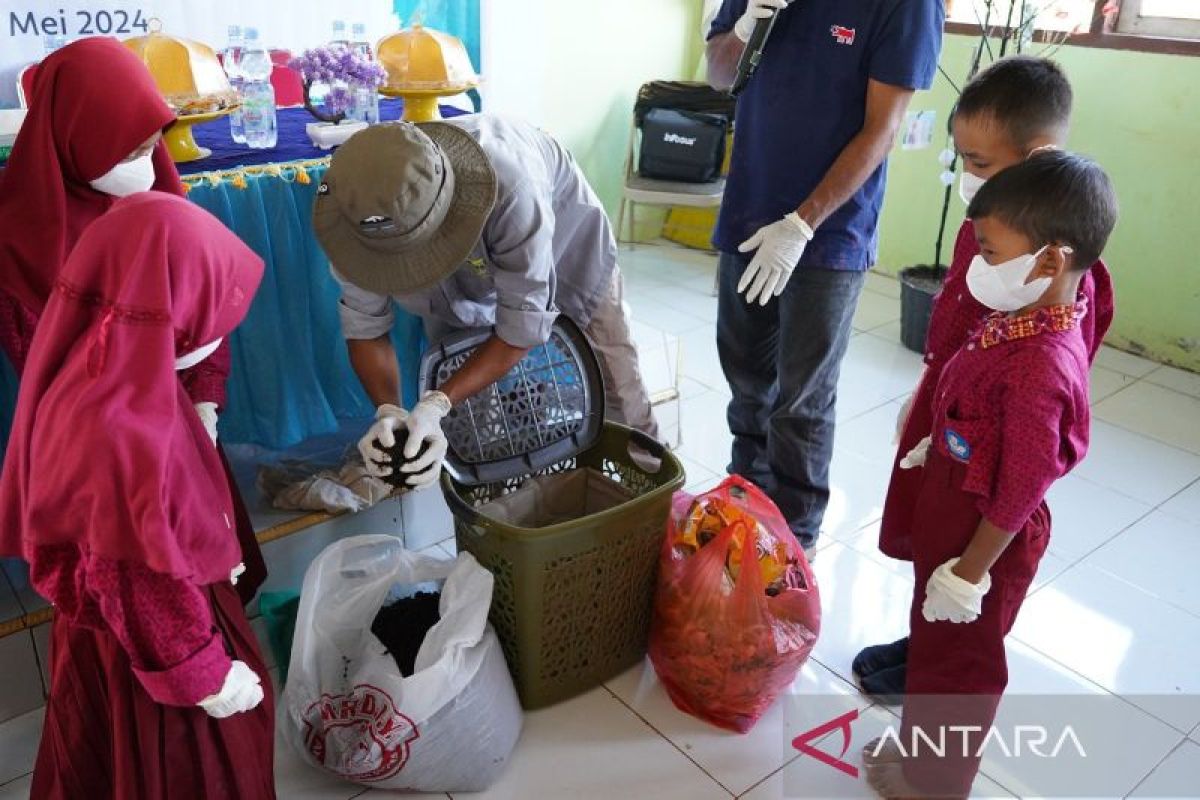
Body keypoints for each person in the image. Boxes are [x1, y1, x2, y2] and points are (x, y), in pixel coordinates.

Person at [854, 56, 1117, 702]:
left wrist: (972, 568)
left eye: (979, 163)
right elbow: (955, 311)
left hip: (991, 435)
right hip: (954, 402)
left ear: (1038, 153)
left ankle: (938, 660)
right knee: (928, 532)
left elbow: (1039, 427)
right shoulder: (1000, 226)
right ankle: (924, 640)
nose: (968, 179)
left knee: (963, 562)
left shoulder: (1051, 262)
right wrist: (926, 392)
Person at [0, 193, 275, 800]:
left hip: (128, 625)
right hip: (154, 640)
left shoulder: (109, 362)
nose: (220, 332)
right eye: (209, 314)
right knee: (188, 771)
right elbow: (131, 571)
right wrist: (203, 674)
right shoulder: (119, 429)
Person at [0, 36, 267, 602]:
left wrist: (204, 400)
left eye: (151, 149)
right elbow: (47, 367)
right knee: (131, 607)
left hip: (181, 430)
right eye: (126, 154)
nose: (145, 170)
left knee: (205, 592)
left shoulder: (157, 199)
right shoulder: (18, 241)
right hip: (99, 457)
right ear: (71, 139)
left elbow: (206, 313)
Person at [706, 0, 945, 559]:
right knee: (747, 380)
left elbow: (882, 129)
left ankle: (794, 541)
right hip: (749, 206)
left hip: (830, 233)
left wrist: (802, 224)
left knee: (803, 399)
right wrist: (747, 26)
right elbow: (719, 74)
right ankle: (744, 502)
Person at [313, 118, 660, 484]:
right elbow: (366, 328)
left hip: (568, 247)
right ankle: (509, 490)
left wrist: (437, 402)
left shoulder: (513, 188)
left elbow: (520, 330)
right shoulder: (352, 219)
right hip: (461, 279)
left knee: (617, 381)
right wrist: (389, 411)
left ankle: (651, 489)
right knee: (470, 403)